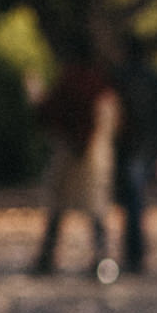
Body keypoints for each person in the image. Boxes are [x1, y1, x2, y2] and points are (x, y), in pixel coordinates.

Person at [30, 59, 119, 281]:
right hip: (92, 152)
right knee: (91, 207)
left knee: (64, 205)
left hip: (76, 151)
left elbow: (50, 113)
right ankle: (99, 258)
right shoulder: (101, 83)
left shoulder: (72, 82)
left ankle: (50, 256)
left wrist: (36, 97)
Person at [111, 49, 157, 276]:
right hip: (145, 148)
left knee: (132, 201)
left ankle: (133, 253)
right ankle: (135, 254)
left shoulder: (122, 78)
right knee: (134, 202)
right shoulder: (152, 79)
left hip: (133, 149)